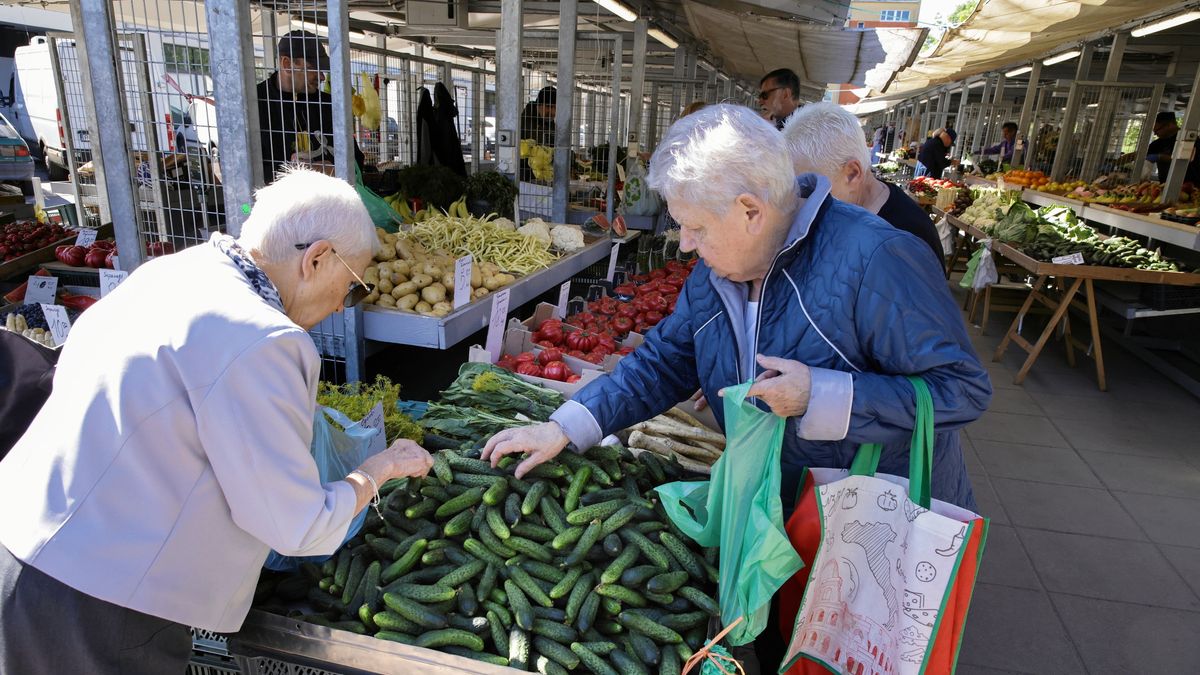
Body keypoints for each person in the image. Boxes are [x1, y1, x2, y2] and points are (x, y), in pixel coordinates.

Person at [0, 168, 434, 674]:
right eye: (353, 286)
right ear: (317, 258)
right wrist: (377, 470)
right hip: (99, 602)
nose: (343, 305)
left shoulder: (169, 273)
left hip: (28, 549)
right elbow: (298, 527)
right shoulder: (263, 338)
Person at [482, 104, 988, 527]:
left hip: (872, 525)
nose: (684, 242)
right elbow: (663, 362)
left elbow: (961, 390)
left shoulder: (878, 258)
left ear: (751, 211)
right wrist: (565, 428)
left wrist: (823, 393)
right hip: (775, 511)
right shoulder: (715, 273)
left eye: (694, 227)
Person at [785, 102, 943, 263]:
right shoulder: (840, 214)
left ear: (853, 174)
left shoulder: (907, 238)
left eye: (811, 189)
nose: (802, 202)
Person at [256, 30, 365, 182]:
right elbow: (242, 172)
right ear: (287, 64)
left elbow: (357, 161)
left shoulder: (329, 105)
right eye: (314, 68)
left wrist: (333, 169)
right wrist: (294, 173)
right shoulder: (254, 105)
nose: (321, 77)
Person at [1119, 111, 1200, 183]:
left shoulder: (1189, 139)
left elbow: (1186, 158)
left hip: (1191, 185)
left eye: (1157, 130)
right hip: (1165, 185)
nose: (1155, 134)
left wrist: (1159, 157)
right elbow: (1141, 154)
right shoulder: (1158, 143)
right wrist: (1120, 161)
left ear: (1169, 125)